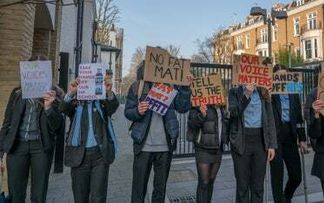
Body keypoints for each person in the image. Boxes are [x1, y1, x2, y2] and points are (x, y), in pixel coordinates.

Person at [124, 62, 192, 203]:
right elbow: (128, 112)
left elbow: (183, 108)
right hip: (143, 146)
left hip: (165, 147)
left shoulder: (171, 86)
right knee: (138, 190)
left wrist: (185, 88)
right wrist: (138, 111)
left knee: (160, 191)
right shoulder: (138, 86)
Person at [0, 56, 64, 203]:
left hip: (41, 147)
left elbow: (57, 127)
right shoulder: (17, 93)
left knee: (39, 194)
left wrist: (48, 107)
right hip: (17, 146)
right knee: (16, 194)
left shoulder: (54, 94)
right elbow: (6, 123)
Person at [60, 74, 119, 203]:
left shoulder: (102, 102)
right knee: (80, 198)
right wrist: (71, 93)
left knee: (98, 198)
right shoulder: (75, 103)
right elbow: (63, 108)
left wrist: (108, 92)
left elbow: (113, 107)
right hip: (79, 156)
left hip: (100, 155)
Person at [228, 80, 277, 203]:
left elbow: (270, 119)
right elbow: (233, 113)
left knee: (258, 185)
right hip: (241, 141)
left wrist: (271, 145)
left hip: (260, 142)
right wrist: (246, 95)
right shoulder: (234, 92)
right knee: (242, 186)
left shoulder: (263, 92)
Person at [270, 64, 308, 203]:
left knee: (296, 176)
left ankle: (287, 196)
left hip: (291, 137)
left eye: (285, 75)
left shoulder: (293, 94)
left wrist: (302, 139)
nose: (282, 78)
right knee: (277, 175)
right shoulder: (270, 95)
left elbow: (299, 119)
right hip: (275, 139)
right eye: (279, 76)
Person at [188, 101, 228, 203]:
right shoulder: (198, 101)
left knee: (211, 181)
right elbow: (192, 124)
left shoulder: (222, 103)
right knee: (204, 182)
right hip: (203, 148)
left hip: (217, 148)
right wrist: (202, 115)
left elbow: (225, 123)